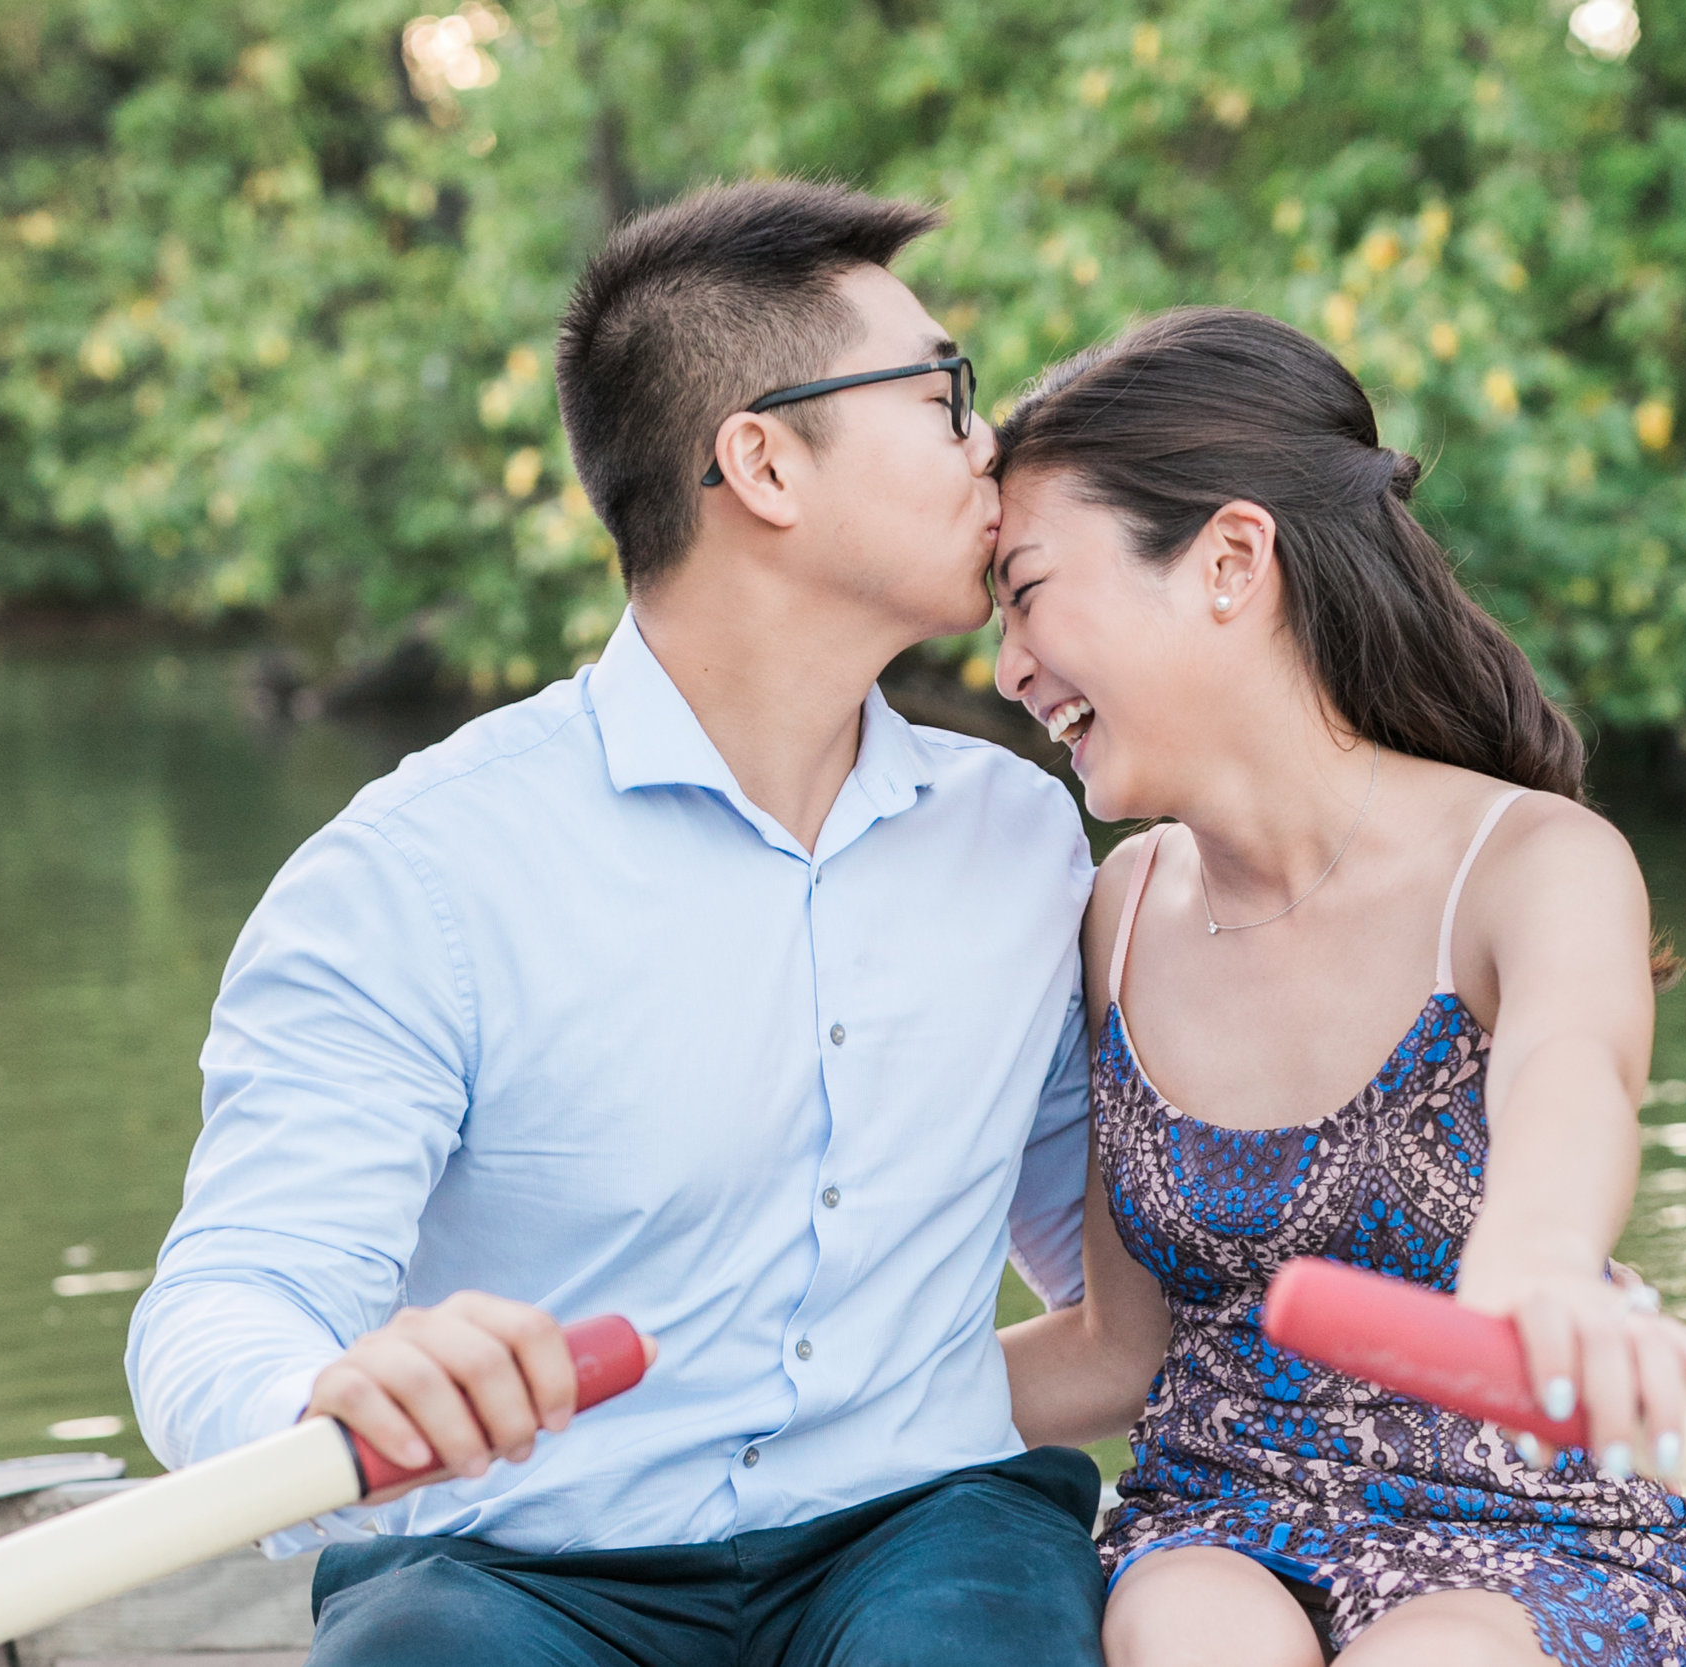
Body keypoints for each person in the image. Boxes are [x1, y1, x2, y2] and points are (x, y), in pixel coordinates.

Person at [126, 181, 1108, 1666]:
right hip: (518, 1563)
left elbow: (1108, 1248)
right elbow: (232, 1291)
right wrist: (319, 1399)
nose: (1000, 450)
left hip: (923, 1525)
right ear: (763, 461)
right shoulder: (414, 874)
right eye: (945, 396)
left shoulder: (1021, 835)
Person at [988, 308, 1686, 1667]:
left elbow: (1575, 1075)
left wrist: (1542, 1264)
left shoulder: (1532, 865)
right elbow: (1116, 1349)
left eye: (1029, 593)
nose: (1007, 667)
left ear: (1228, 559)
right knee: (1191, 1641)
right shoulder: (1121, 910)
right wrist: (788, 1405)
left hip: (1531, 1526)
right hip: (1217, 1519)